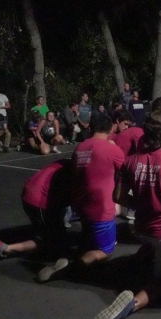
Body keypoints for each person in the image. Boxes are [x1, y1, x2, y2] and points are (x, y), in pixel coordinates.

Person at [89, 112, 161, 319]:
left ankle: (140, 261)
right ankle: (133, 302)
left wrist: (141, 203)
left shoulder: (130, 162)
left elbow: (117, 197)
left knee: (151, 247)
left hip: (140, 227)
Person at [37, 114, 125, 283]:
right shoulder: (111, 149)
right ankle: (70, 268)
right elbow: (126, 172)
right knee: (106, 251)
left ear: (91, 127)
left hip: (81, 203)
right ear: (111, 129)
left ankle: (82, 259)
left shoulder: (80, 147)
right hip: (101, 206)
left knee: (89, 237)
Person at [0, 159, 71, 259]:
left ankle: (44, 232)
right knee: (53, 242)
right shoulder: (74, 171)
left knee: (52, 228)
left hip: (29, 191)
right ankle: (6, 248)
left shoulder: (64, 162)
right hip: (39, 199)